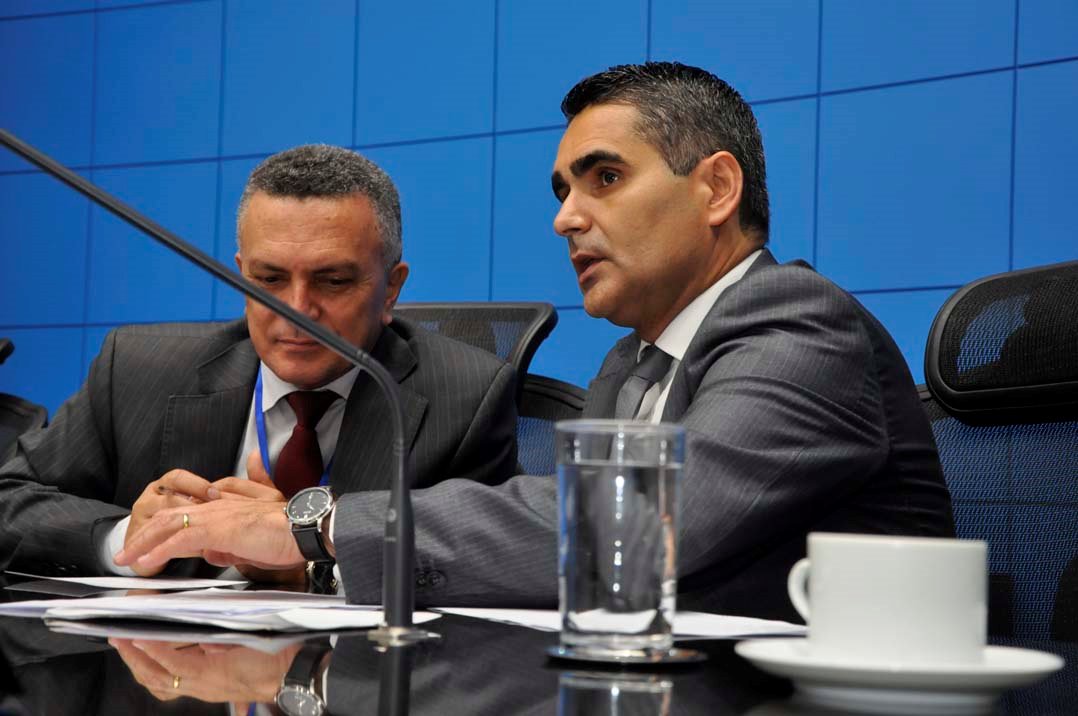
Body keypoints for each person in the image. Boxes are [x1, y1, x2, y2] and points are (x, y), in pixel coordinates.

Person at [115, 63, 954, 621]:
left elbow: (632, 527)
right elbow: (548, 557)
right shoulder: (631, 362)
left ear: (717, 188)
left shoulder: (800, 323)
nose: (565, 219)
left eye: (605, 178)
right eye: (562, 191)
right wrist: (317, 564)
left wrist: (315, 525)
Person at [0, 145, 518, 587]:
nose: (297, 309)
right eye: (269, 279)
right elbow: (9, 499)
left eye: (334, 281)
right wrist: (126, 541)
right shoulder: (137, 370)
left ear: (391, 290)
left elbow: (484, 562)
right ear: (240, 274)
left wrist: (313, 566)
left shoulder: (463, 397)